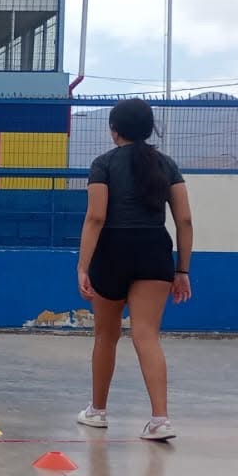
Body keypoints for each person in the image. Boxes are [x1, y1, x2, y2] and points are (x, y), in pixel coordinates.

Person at [75, 98, 194, 441]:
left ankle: (97, 411)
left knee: (105, 336)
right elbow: (184, 220)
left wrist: (83, 266)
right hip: (154, 252)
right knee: (146, 335)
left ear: (114, 131)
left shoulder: (103, 165)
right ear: (149, 128)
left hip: (112, 252)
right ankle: (160, 420)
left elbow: (96, 217)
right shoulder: (167, 165)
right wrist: (182, 270)